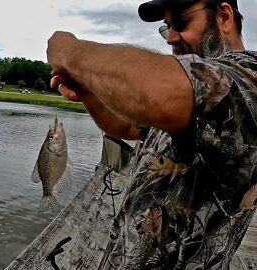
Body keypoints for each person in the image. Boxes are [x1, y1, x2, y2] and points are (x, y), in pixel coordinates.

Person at [46, 0, 256, 268]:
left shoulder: (248, 77)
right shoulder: (191, 99)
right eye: (166, 27)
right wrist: (90, 95)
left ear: (224, 17)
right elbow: (129, 127)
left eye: (181, 23)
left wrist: (71, 52)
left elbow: (160, 95)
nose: (171, 38)